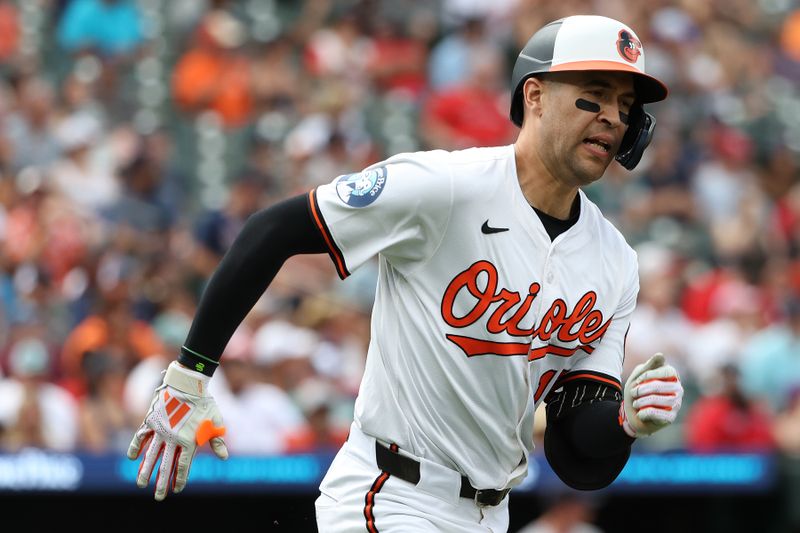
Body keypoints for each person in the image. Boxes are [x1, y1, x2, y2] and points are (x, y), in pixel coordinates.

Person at [127, 15, 684, 532]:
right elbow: (271, 231)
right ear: (534, 96)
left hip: (492, 513)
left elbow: (574, 458)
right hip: (390, 494)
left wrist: (624, 422)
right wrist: (191, 371)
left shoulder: (615, 261)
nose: (613, 117)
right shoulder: (445, 187)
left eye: (626, 105)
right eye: (595, 96)